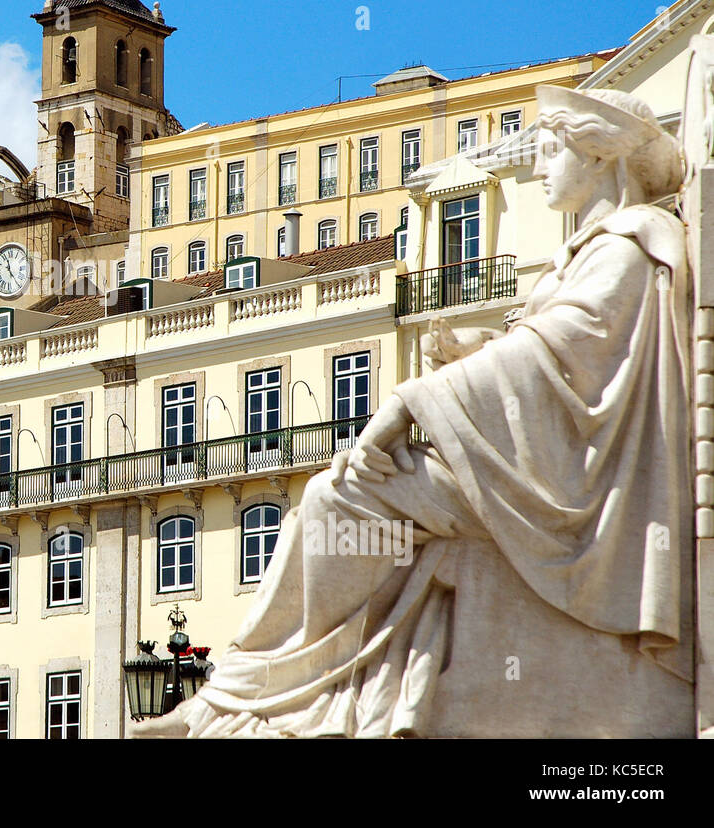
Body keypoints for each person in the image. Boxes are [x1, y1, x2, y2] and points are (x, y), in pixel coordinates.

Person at [135, 86, 690, 737]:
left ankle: (252, 696)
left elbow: (560, 353)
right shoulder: (593, 251)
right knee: (335, 499)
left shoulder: (628, 246)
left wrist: (406, 402)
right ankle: (254, 692)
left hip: (571, 479)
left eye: (547, 150)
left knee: (336, 503)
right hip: (535, 459)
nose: (539, 168)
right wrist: (471, 351)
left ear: (596, 155)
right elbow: (543, 351)